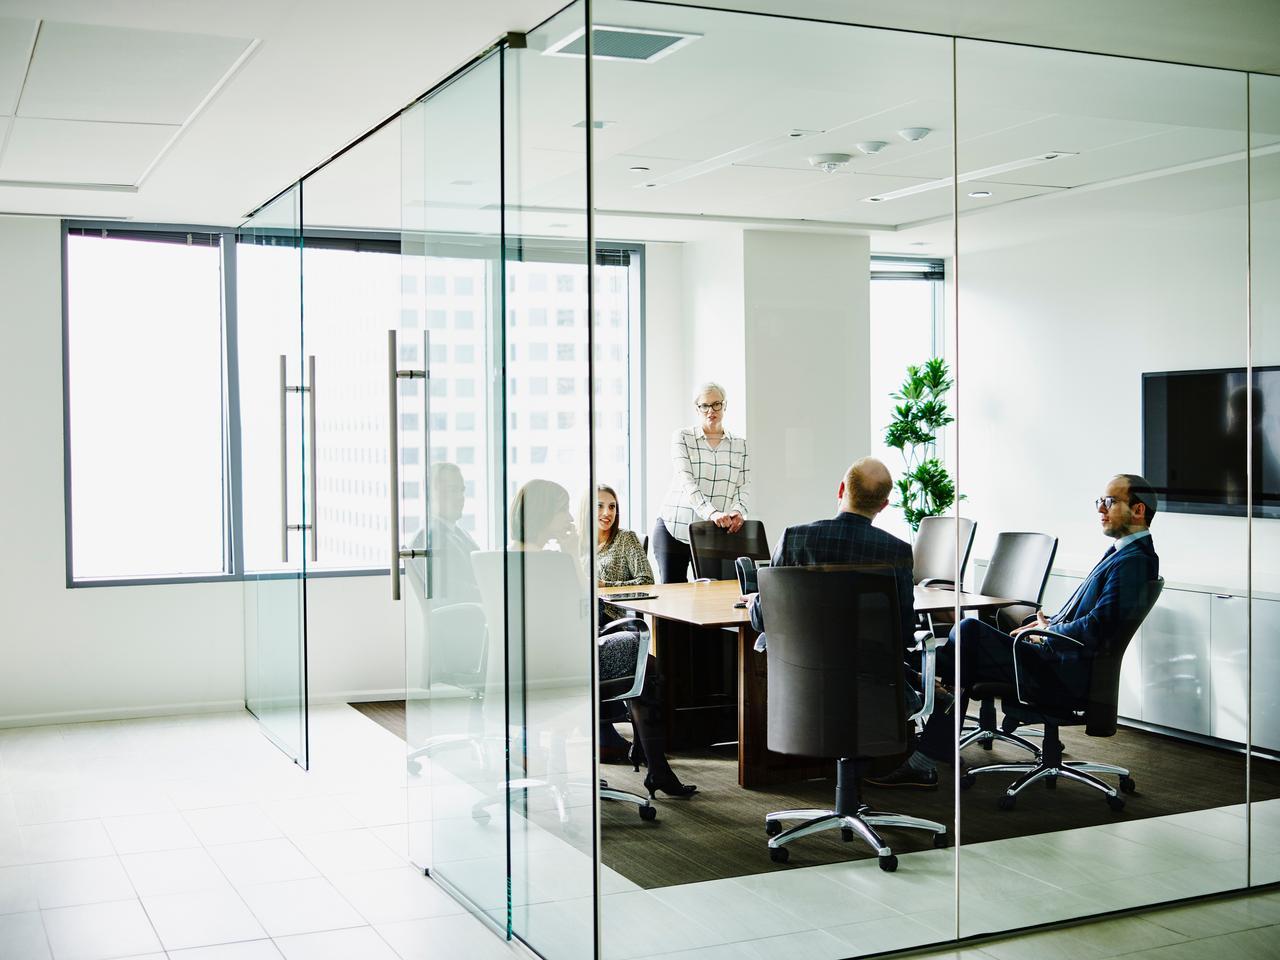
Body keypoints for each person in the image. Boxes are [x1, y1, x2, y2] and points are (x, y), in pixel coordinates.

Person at [868, 473, 1162, 789]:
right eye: (1100, 501)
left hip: (1063, 670)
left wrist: (1049, 630)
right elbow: (1091, 617)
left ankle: (918, 678)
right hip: (1056, 658)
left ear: (1138, 510)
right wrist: (1045, 623)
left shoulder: (1134, 561)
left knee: (967, 633)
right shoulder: (1124, 553)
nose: (1100, 509)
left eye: (1110, 501)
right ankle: (924, 702)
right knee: (965, 652)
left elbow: (1097, 628)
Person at [511, 479, 696, 799]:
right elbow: (584, 609)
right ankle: (656, 768)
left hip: (533, 663)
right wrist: (571, 555)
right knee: (646, 665)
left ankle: (646, 761)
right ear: (544, 515)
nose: (570, 517)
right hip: (564, 664)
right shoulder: (551, 562)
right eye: (562, 510)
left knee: (640, 661)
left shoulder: (510, 557)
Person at [653, 382, 751, 583]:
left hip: (711, 532)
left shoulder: (740, 444)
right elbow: (687, 481)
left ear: (725, 406)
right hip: (674, 528)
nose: (711, 411)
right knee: (673, 602)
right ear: (697, 408)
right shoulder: (682, 437)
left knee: (713, 597)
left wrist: (739, 510)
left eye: (716, 404)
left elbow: (743, 485)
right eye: (704, 406)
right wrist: (711, 513)